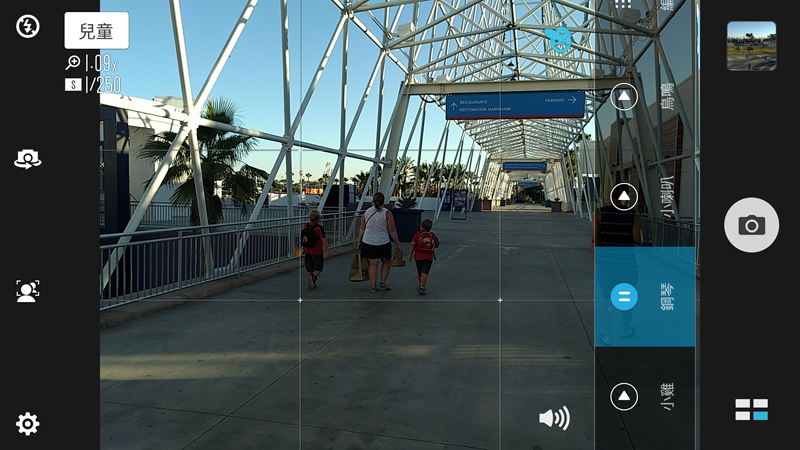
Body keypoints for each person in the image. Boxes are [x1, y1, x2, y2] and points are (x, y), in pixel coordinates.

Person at [592, 185, 642, 345]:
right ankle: (625, 330)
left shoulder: (600, 213)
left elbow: (595, 240)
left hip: (606, 264)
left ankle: (607, 336)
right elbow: (637, 240)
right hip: (627, 264)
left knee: (606, 298)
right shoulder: (634, 215)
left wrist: (596, 260)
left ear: (611, 196)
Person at [357, 192, 402, 293]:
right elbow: (392, 230)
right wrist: (397, 243)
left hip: (368, 241)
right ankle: (383, 281)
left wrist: (359, 241)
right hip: (383, 242)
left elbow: (362, 228)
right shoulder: (387, 213)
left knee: (373, 264)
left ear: (373, 201)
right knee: (386, 261)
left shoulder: (367, 212)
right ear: (383, 201)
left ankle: (373, 286)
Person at [408, 218, 439, 295]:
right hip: (428, 257)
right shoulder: (432, 235)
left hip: (418, 256)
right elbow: (437, 245)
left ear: (421, 226)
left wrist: (410, 254)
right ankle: (422, 286)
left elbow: (413, 244)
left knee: (419, 272)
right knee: (425, 272)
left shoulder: (418, 234)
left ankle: (421, 284)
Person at [302, 209, 332, 290]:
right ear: (318, 218)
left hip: (307, 250)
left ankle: (310, 280)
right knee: (319, 268)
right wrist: (327, 251)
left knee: (309, 268)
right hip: (316, 250)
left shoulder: (306, 226)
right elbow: (323, 239)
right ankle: (313, 277)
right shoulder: (319, 228)